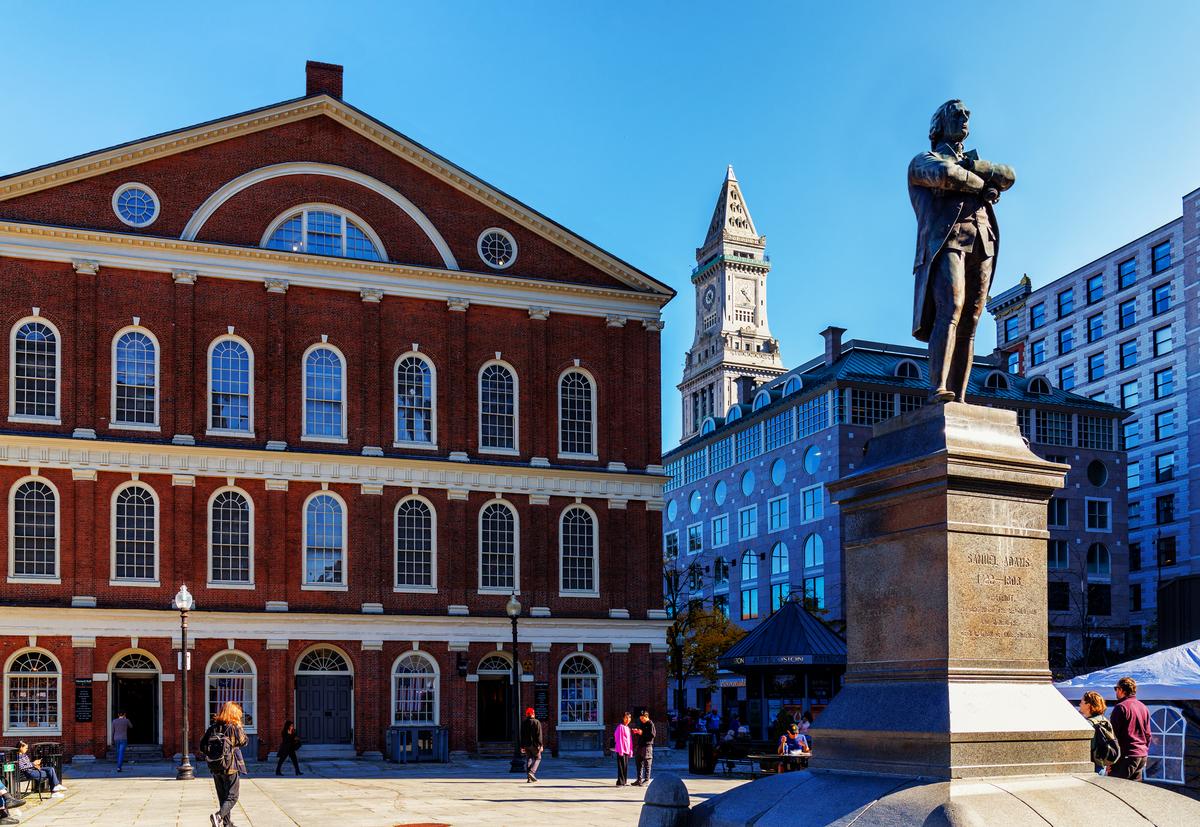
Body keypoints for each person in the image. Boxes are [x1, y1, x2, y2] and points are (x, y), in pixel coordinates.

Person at [200, 701, 249, 827]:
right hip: (231, 767)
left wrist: (214, 753)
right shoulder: (233, 727)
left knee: (223, 797)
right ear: (234, 713)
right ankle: (218, 816)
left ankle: (227, 824)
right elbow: (244, 742)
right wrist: (239, 728)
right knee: (232, 796)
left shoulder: (213, 728)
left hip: (216, 767)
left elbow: (202, 746)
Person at [1109, 676, 1150, 781]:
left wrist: (1110, 760)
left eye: (1116, 689)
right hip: (1141, 755)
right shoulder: (1143, 707)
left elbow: (1113, 736)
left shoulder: (1120, 707)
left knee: (1115, 789)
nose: (1115, 692)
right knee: (1133, 792)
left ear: (1121, 690)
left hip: (1126, 755)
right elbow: (1148, 734)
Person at [1078, 691, 1118, 775]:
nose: (1079, 704)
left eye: (1081, 702)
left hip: (1092, 766)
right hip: (1102, 764)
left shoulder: (1089, 724)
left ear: (1088, 705)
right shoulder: (1104, 720)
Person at [631, 709, 656, 787]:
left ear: (646, 716)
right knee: (638, 762)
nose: (641, 720)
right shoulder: (642, 724)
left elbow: (652, 735)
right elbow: (641, 734)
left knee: (647, 763)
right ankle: (639, 779)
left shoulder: (650, 724)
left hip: (647, 746)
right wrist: (637, 732)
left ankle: (646, 780)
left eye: (642, 718)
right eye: (640, 718)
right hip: (640, 745)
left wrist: (642, 733)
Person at [519, 707, 542, 783]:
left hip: (526, 744)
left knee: (529, 758)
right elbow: (539, 735)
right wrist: (540, 745)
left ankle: (529, 778)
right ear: (533, 714)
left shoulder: (524, 723)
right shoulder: (536, 722)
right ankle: (532, 772)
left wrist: (522, 746)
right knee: (538, 758)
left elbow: (522, 735)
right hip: (534, 744)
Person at [613, 711, 634, 786]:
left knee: (625, 766)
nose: (628, 719)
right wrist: (621, 750)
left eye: (629, 718)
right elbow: (619, 739)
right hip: (621, 750)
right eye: (626, 718)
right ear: (623, 718)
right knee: (621, 766)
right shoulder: (620, 727)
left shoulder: (627, 728)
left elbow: (630, 740)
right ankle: (620, 781)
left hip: (627, 750)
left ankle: (624, 781)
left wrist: (631, 750)